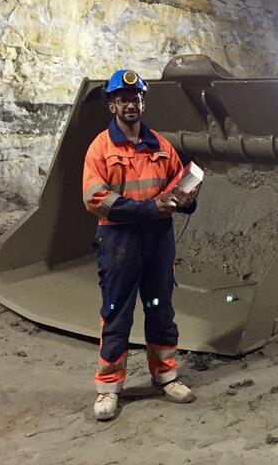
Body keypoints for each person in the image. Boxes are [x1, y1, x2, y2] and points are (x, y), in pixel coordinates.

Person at [82, 69, 197, 421]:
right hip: (120, 240)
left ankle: (165, 376)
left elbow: (181, 184)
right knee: (117, 311)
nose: (130, 105)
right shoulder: (101, 148)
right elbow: (95, 198)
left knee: (160, 308)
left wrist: (188, 198)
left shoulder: (161, 146)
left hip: (158, 240)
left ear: (143, 103)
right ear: (112, 105)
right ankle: (108, 387)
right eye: (123, 99)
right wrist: (150, 208)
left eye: (136, 98)